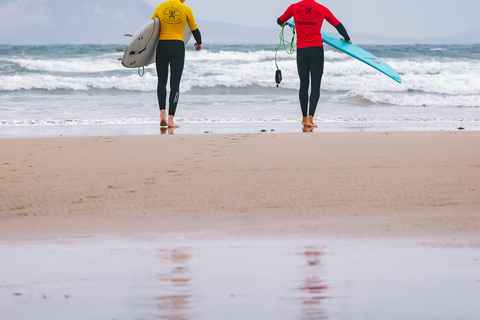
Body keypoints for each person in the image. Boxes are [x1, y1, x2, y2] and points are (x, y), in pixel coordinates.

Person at [277, 0, 351, 128]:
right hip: (316, 50)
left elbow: (279, 21)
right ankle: (310, 119)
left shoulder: (294, 7)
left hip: (301, 51)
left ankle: (304, 118)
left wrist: (287, 23)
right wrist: (347, 38)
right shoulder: (322, 9)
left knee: (303, 84)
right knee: (315, 85)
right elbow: (337, 24)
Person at [151, 0, 202, 128]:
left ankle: (162, 114)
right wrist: (199, 42)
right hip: (177, 47)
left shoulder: (160, 7)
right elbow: (194, 29)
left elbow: (150, 30)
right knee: (175, 84)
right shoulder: (186, 9)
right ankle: (170, 120)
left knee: (161, 81)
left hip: (162, 46)